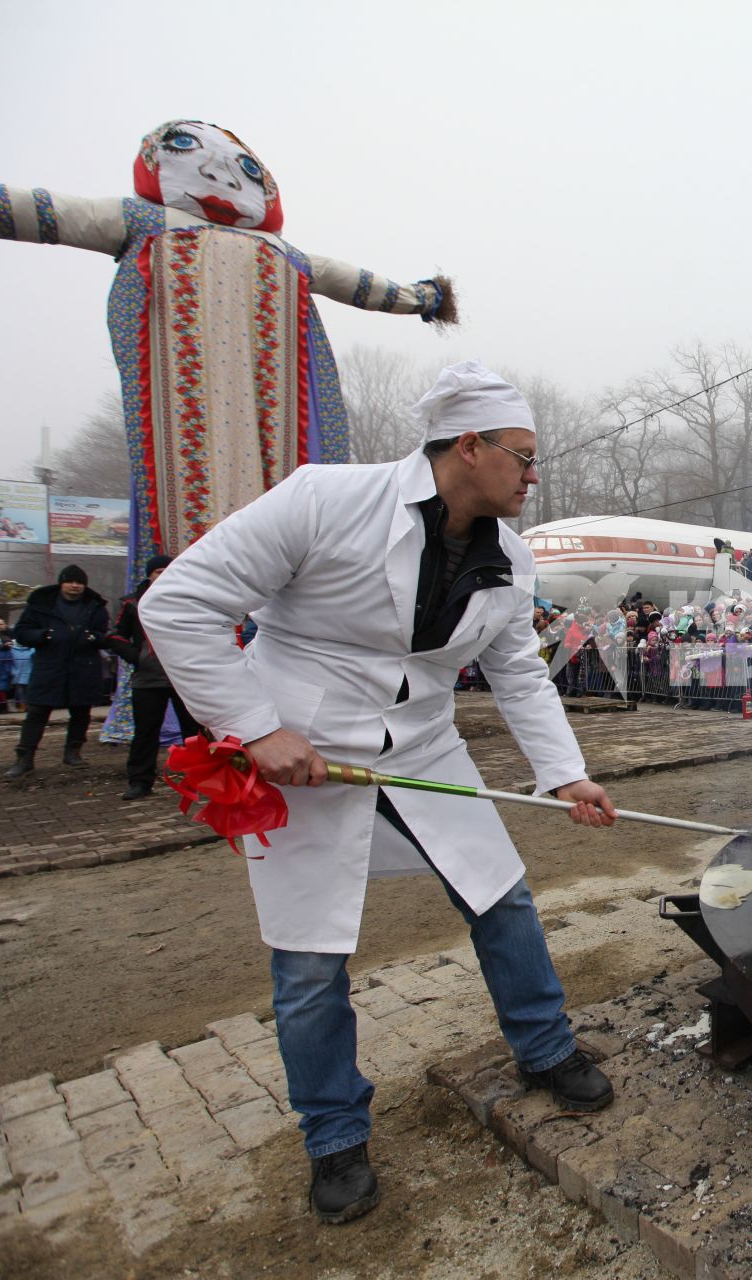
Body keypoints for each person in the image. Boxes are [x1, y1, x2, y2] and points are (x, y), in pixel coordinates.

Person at [140, 359, 621, 1226]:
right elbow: (179, 605)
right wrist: (255, 728)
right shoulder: (325, 499)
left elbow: (517, 670)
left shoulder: (510, 555)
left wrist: (565, 772)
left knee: (502, 898)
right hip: (304, 748)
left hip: (427, 745)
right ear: (468, 447)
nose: (532, 473)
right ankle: (333, 1137)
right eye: (523, 454)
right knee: (311, 956)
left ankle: (544, 1051)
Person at [108, 554, 203, 801]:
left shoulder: (190, 600)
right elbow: (114, 636)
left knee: (194, 733)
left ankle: (202, 779)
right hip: (148, 679)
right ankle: (140, 781)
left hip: (184, 677)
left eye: (168, 570)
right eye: (159, 571)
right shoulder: (131, 603)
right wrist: (136, 657)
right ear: (150, 575)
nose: (163, 575)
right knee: (146, 732)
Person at [5, 565, 112, 777]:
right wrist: (42, 636)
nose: (75, 586)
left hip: (83, 667)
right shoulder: (41, 604)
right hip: (50, 666)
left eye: (79, 582)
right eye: (70, 581)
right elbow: (22, 633)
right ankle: (24, 757)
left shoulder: (95, 606)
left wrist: (94, 638)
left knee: (81, 712)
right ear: (61, 583)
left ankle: (73, 752)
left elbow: (105, 635)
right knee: (37, 713)